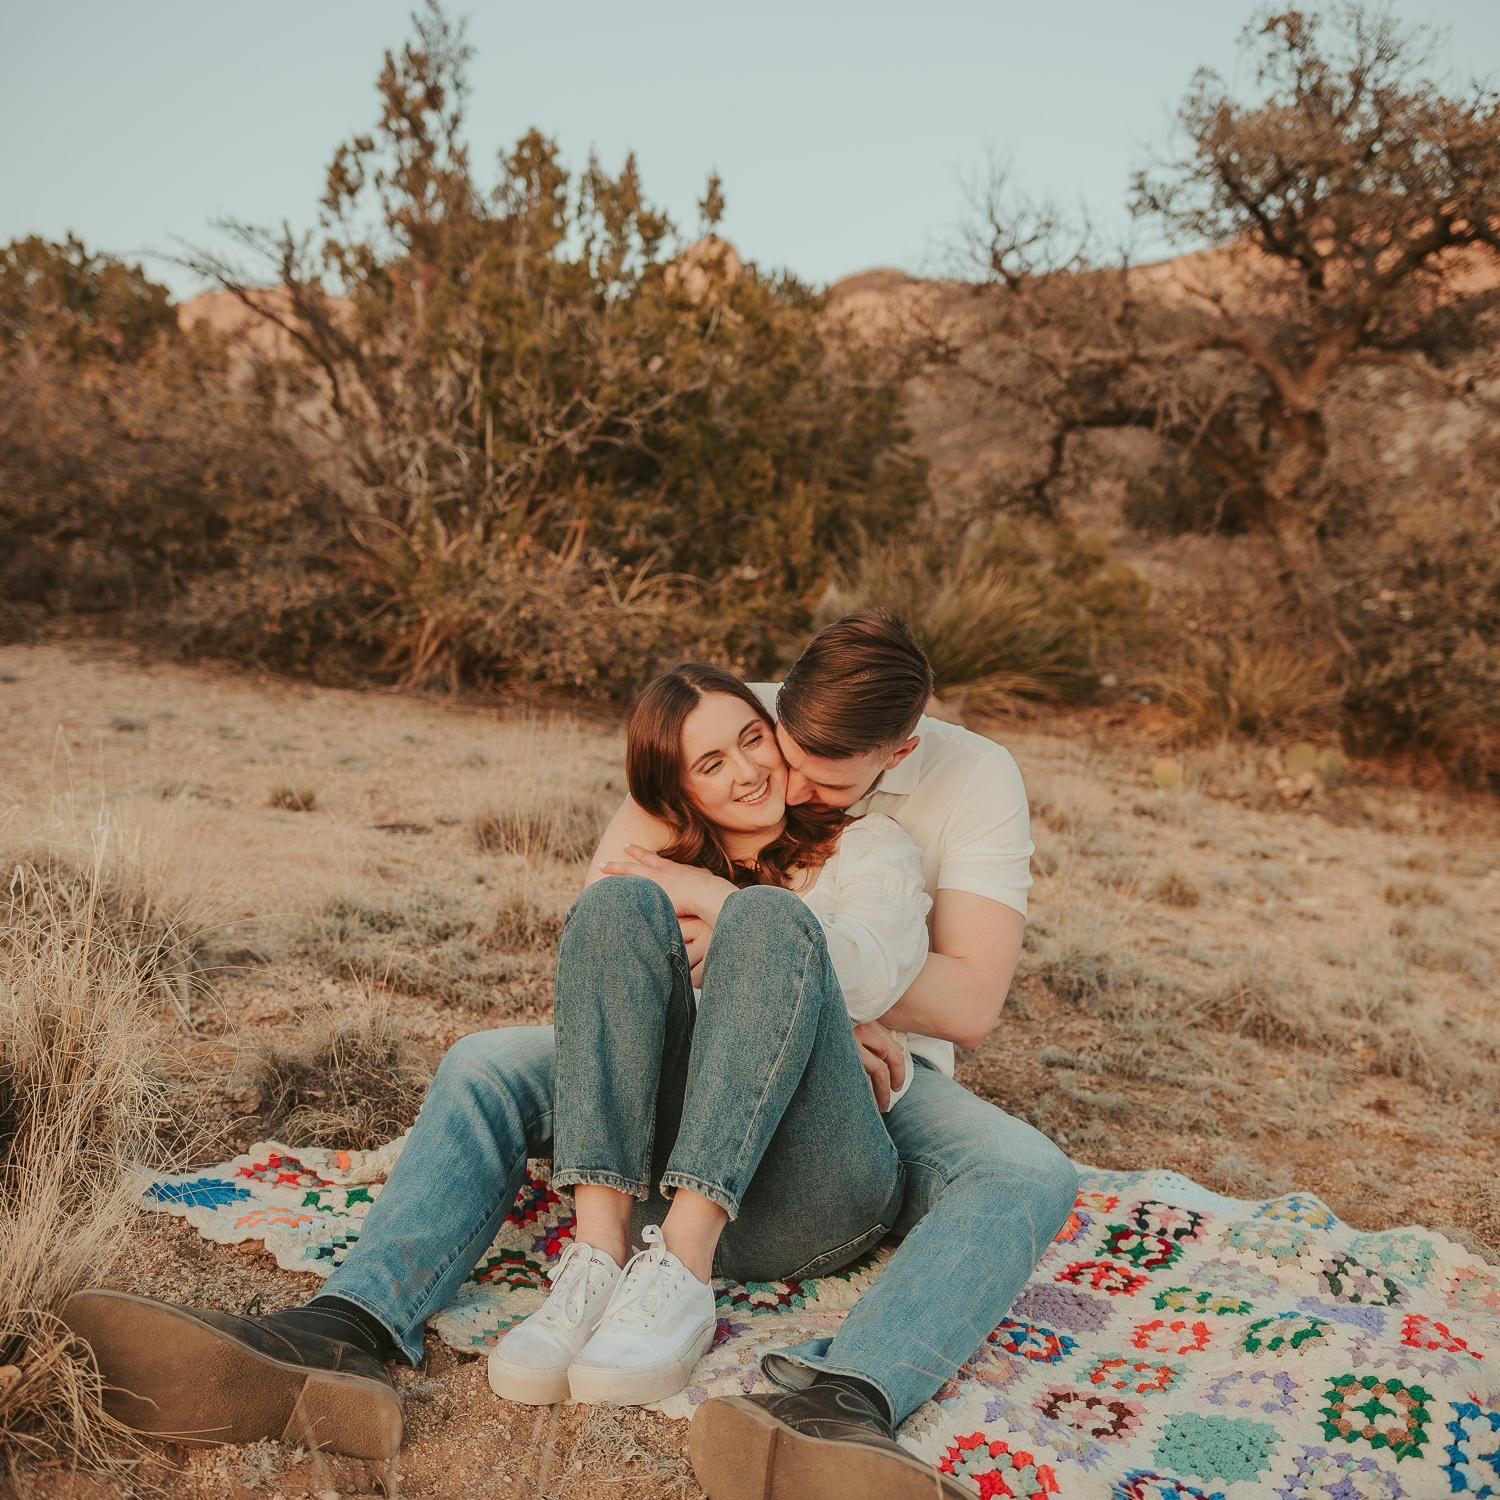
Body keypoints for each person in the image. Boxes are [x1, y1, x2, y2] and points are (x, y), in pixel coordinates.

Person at [63, 611, 1076, 1500]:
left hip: (859, 1098)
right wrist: (720, 944)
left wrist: (789, 973)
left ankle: (844, 1410)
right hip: (686, 1086)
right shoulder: (737, 726)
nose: (790, 782)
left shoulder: (926, 812)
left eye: (825, 773)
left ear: (897, 757)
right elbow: (614, 921)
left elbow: (964, 995)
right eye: (767, 747)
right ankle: (344, 1333)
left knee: (1025, 1168)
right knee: (486, 1062)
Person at [488, 661, 931, 1408]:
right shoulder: (655, 882)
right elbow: (611, 1008)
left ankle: (686, 1278)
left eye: (753, 738)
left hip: (823, 1194)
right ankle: (600, 1256)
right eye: (711, 763)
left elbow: (869, 971)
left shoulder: (870, 845)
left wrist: (724, 905)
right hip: (663, 1188)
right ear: (679, 789)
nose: (749, 771)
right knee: (612, 908)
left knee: (766, 918)